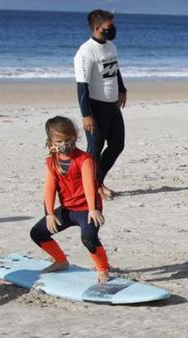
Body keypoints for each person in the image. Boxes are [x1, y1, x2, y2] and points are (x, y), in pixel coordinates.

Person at [30, 116, 110, 284]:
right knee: (37, 233)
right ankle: (61, 261)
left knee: (88, 238)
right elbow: (49, 189)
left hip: (88, 209)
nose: (65, 144)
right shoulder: (52, 161)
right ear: (51, 141)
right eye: (60, 140)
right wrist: (49, 213)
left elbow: (90, 185)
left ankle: (103, 268)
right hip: (67, 209)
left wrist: (93, 209)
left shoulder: (85, 159)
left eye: (69, 139)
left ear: (75, 137)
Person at [74, 9, 126, 200]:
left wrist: (122, 90)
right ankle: (93, 187)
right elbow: (81, 86)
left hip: (112, 105)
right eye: (109, 27)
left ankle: (97, 181)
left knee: (117, 145)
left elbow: (115, 70)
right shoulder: (85, 52)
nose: (113, 30)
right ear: (97, 28)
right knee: (95, 147)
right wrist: (86, 114)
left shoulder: (111, 46)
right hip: (95, 107)